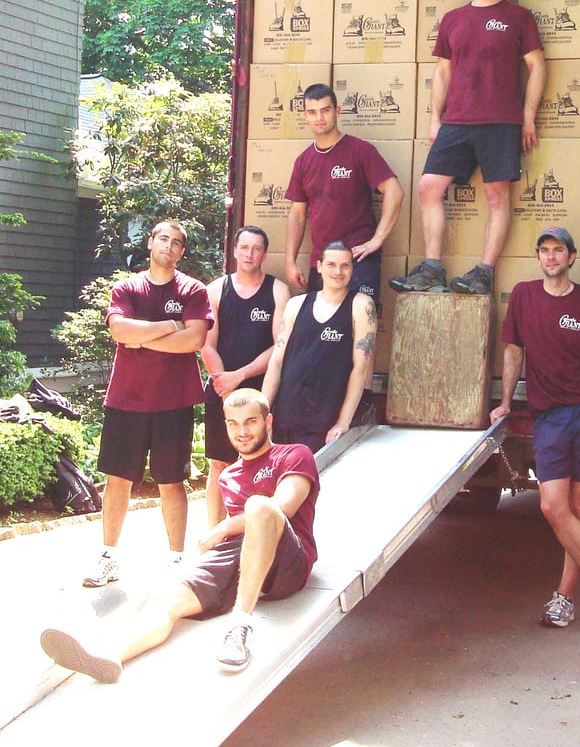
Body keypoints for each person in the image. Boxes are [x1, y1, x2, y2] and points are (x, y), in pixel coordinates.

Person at [41, 388, 320, 679]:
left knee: (259, 507)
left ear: (268, 421)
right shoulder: (228, 476)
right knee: (167, 597)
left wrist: (222, 527)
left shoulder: (294, 455)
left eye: (251, 422)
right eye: (233, 423)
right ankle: (110, 657)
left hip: (287, 560)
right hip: (238, 559)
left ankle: (240, 627)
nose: (242, 431)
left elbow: (283, 507)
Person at [490, 227, 580, 629]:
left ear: (571, 257)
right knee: (553, 506)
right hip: (548, 416)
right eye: (544, 250)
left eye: (558, 250)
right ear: (539, 258)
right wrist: (505, 402)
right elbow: (513, 351)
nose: (551, 257)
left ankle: (565, 598)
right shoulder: (524, 296)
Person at [390, 0, 546, 296]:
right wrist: (435, 118)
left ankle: (484, 273)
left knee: (496, 196)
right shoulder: (453, 19)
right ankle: (431, 269)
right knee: (428, 187)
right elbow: (442, 72)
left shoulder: (518, 18)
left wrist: (528, 116)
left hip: (501, 121)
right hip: (457, 121)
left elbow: (537, 66)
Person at [82, 221, 213, 589]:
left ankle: (175, 560)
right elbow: (120, 331)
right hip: (127, 399)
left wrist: (142, 338)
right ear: (151, 243)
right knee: (117, 479)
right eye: (163, 239)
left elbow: (194, 340)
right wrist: (171, 325)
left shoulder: (193, 290)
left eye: (176, 242)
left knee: (172, 481)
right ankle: (108, 556)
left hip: (174, 401)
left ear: (181, 251)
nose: (168, 246)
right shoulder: (127, 288)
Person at [200, 225, 291, 528]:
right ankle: (214, 535)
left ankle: (255, 532)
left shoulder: (277, 291)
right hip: (221, 388)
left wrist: (239, 377)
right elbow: (206, 344)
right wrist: (224, 384)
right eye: (244, 248)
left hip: (261, 389)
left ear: (265, 254)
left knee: (261, 464)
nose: (250, 254)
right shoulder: (215, 290)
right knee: (219, 464)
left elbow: (279, 347)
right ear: (235, 251)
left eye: (256, 249)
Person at [284, 83, 405, 300]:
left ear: (337, 111)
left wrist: (377, 239)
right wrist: (290, 261)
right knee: (320, 321)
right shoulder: (303, 162)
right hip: (322, 262)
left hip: (358, 259)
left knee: (360, 319)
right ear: (305, 116)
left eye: (325, 110)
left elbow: (395, 192)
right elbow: (297, 216)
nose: (319, 117)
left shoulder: (360, 151)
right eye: (312, 112)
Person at [262, 241, 376, 453]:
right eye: (331, 264)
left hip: (326, 421)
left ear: (352, 269)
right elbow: (276, 362)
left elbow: (360, 369)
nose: (338, 272)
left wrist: (343, 422)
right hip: (286, 414)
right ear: (320, 266)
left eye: (345, 265)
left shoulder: (361, 305)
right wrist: (263, 412)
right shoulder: (296, 304)